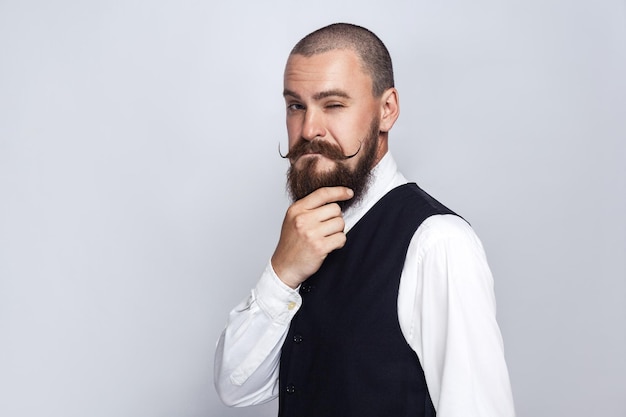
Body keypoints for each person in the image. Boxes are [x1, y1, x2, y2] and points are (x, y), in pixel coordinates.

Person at [214, 23, 515, 417]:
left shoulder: (437, 242)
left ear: (386, 110)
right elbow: (235, 387)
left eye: (334, 105)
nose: (308, 130)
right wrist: (282, 272)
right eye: (295, 105)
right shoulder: (303, 240)